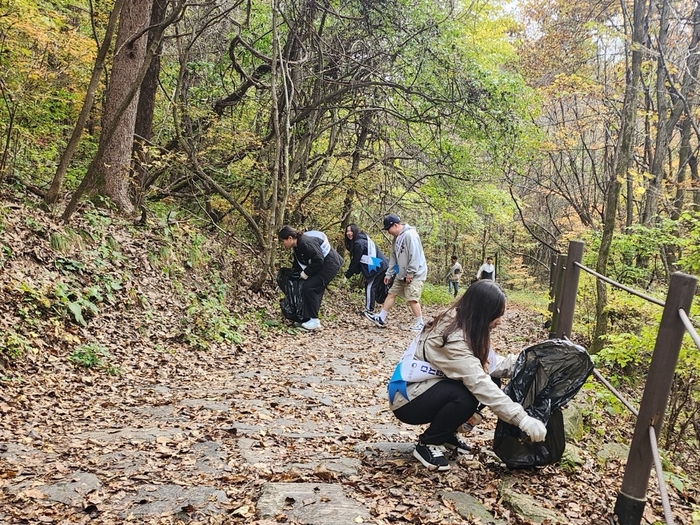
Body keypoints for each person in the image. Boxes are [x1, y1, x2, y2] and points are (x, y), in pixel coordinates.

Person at [387, 280, 547, 470]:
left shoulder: (467, 325)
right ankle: (428, 443)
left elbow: (490, 365)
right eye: (499, 314)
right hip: (407, 400)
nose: (501, 320)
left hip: (428, 387)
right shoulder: (453, 339)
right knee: (467, 395)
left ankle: (447, 433)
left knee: (491, 380)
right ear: (484, 311)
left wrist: (529, 364)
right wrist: (522, 419)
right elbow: (478, 382)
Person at [364, 214, 427, 332]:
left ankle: (420, 323)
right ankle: (381, 318)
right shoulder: (396, 239)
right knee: (391, 293)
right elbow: (393, 257)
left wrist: (411, 273)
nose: (388, 231)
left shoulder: (411, 235)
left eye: (389, 229)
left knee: (412, 298)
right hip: (401, 273)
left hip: (415, 273)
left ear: (396, 225)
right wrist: (389, 273)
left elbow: (415, 255)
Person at [278, 225, 343, 330]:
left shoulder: (305, 243)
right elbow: (300, 261)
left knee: (310, 288)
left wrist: (306, 273)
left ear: (290, 238)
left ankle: (314, 320)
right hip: (322, 264)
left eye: (282, 241)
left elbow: (319, 259)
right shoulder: (297, 245)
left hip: (330, 264)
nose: (282, 244)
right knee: (311, 288)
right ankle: (307, 319)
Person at [344, 224, 389, 313]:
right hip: (380, 265)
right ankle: (371, 307)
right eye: (347, 231)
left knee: (370, 286)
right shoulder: (361, 240)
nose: (349, 233)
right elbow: (359, 262)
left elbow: (355, 261)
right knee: (370, 285)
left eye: (351, 231)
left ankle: (369, 310)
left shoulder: (359, 243)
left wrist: (347, 275)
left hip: (379, 266)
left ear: (355, 231)